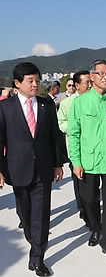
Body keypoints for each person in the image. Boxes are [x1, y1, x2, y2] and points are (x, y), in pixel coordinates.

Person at [0, 62, 64, 276]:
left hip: (43, 169)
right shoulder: (5, 107)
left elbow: (55, 137)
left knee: (41, 215)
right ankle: (32, 239)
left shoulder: (46, 105)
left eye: (37, 80)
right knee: (25, 214)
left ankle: (37, 258)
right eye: (30, 81)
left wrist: (58, 164)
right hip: (17, 168)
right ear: (17, 84)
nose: (35, 84)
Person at [67, 59, 106, 260]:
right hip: (87, 162)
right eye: (101, 73)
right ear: (92, 76)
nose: (105, 77)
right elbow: (73, 133)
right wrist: (75, 161)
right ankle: (95, 227)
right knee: (89, 200)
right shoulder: (80, 102)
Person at [57, 71, 92, 228]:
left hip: (93, 149)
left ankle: (91, 209)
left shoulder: (95, 100)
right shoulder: (67, 103)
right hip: (76, 149)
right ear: (77, 85)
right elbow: (60, 122)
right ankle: (83, 209)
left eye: (91, 82)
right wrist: (73, 128)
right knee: (79, 182)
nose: (90, 85)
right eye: (86, 82)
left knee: (91, 185)